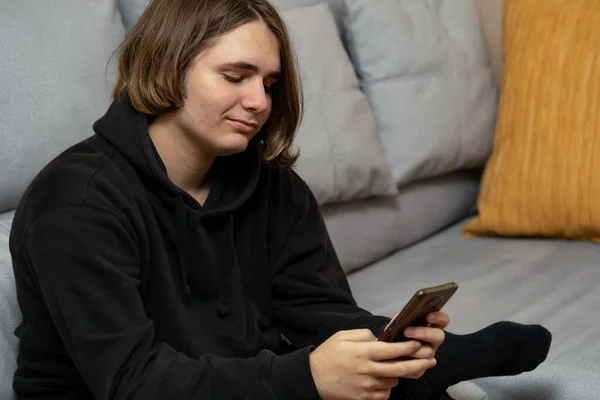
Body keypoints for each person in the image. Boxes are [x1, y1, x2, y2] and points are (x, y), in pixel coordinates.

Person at [9, 0, 552, 399]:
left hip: (236, 379)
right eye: (235, 76)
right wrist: (307, 376)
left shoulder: (272, 187)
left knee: (385, 383)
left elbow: (322, 314)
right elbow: (132, 380)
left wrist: (383, 342)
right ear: (167, 69)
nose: (259, 102)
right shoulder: (75, 203)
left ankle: (429, 365)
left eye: (269, 83)